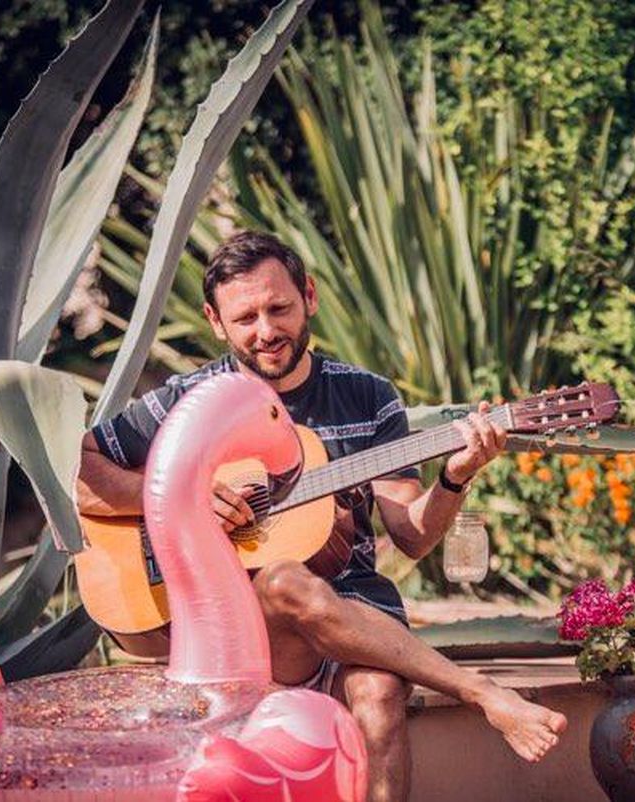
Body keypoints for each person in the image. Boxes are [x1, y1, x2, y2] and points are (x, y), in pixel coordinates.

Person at [75, 230, 567, 802]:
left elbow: (411, 535)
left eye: (279, 308)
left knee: (380, 693)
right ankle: (480, 691)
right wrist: (180, 495)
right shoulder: (190, 401)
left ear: (309, 295)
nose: (266, 331)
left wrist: (455, 477)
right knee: (282, 578)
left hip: (358, 615)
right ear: (215, 321)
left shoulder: (367, 396)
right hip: (248, 627)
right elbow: (81, 472)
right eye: (245, 318)